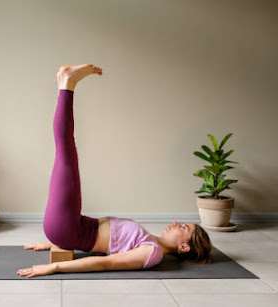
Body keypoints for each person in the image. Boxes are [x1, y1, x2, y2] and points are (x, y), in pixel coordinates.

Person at [17, 64, 212, 279]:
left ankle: (67, 83)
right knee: (67, 150)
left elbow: (106, 263)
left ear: (184, 247)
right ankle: (66, 83)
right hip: (69, 227)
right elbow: (104, 245)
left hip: (67, 228)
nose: (176, 223)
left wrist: (55, 267)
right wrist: (56, 243)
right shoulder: (150, 240)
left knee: (66, 149)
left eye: (183, 227)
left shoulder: (152, 253)